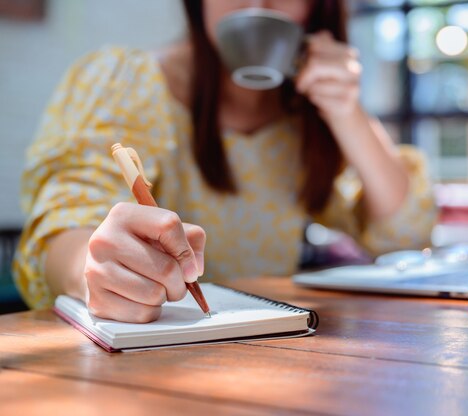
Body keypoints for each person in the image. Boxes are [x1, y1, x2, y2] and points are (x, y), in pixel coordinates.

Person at [13, 0, 436, 323]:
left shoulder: (305, 120)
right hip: (151, 359)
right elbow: (61, 229)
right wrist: (93, 265)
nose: (258, 2)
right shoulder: (124, 82)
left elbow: (403, 235)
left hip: (271, 354)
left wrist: (348, 112)